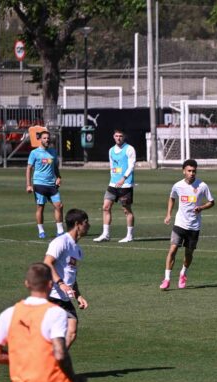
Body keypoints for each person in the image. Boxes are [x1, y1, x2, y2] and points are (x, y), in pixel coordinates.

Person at [161, 159, 215, 290]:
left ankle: (183, 273)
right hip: (179, 223)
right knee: (172, 250)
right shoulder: (177, 186)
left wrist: (201, 207)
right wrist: (168, 214)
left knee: (188, 253)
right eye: (189, 171)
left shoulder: (202, 186)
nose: (192, 173)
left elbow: (212, 202)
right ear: (183, 171)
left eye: (194, 171)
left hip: (194, 226)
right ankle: (167, 279)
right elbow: (172, 197)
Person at [44, 208, 90, 347]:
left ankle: (54, 362)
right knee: (44, 334)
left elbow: (71, 273)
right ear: (78, 224)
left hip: (64, 298)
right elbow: (47, 263)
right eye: (86, 223)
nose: (88, 226)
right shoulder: (61, 242)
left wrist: (78, 296)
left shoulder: (76, 248)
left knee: (71, 332)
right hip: (51, 295)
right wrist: (60, 283)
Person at [93, 129, 137, 243]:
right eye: (116, 136)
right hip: (113, 184)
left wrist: (124, 178)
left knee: (126, 210)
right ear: (113, 137)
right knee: (106, 207)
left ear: (124, 137)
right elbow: (112, 166)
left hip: (125, 185)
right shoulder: (111, 150)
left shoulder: (129, 149)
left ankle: (129, 236)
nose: (118, 138)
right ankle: (105, 234)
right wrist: (113, 179)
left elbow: (131, 165)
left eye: (120, 136)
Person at [25, 128, 64, 239]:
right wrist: (28, 185)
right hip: (39, 184)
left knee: (59, 206)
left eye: (48, 138)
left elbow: (55, 166)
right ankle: (41, 231)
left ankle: (60, 231)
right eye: (44, 138)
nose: (47, 140)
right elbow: (29, 168)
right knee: (40, 208)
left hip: (52, 184)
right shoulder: (34, 153)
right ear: (40, 140)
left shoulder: (53, 152)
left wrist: (59, 177)